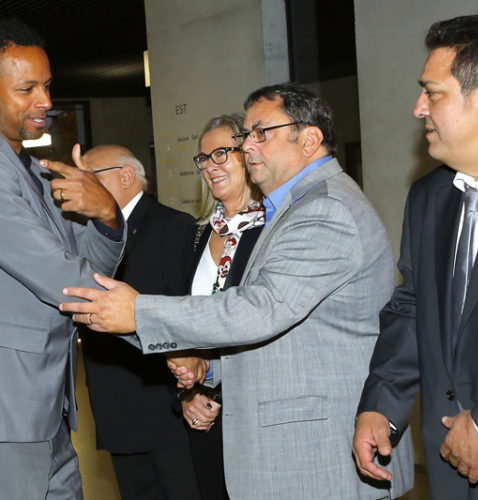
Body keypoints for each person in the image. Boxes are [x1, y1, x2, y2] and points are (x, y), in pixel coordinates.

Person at [60, 82, 414, 499]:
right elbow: (288, 336)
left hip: (315, 454)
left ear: (309, 139)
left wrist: (139, 312)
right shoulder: (292, 208)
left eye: (262, 133)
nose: (248, 146)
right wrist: (208, 370)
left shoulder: (324, 208)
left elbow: (262, 308)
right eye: (247, 135)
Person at [353, 15, 478, 499]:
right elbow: (414, 307)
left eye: (432, 93)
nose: (418, 109)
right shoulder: (428, 198)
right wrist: (381, 404)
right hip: (449, 463)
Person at [0, 19, 125, 499]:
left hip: (49, 406)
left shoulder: (37, 172)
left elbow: (94, 266)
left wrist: (107, 215)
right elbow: (65, 280)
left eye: (47, 86)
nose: (45, 102)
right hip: (11, 413)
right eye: (26, 89)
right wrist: (165, 336)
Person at [78, 144, 200, 500]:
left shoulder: (172, 226)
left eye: (90, 177)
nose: (82, 186)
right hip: (115, 409)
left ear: (126, 176)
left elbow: (185, 313)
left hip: (164, 409)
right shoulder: (88, 233)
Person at [178, 114, 264, 499]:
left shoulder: (273, 231)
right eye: (203, 158)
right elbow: (184, 324)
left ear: (248, 153)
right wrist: (188, 392)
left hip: (257, 410)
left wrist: (217, 386)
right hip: (203, 411)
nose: (210, 166)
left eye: (221, 154)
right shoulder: (196, 236)